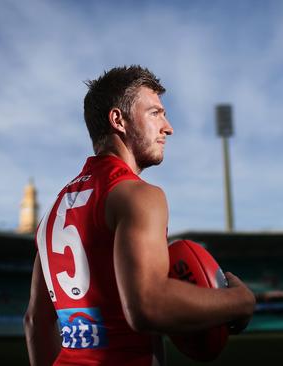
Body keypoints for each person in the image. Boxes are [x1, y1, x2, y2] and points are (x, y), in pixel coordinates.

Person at [24, 65, 255, 366]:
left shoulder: (53, 214)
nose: (168, 127)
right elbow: (148, 305)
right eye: (156, 113)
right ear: (118, 120)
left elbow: (35, 322)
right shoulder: (138, 195)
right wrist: (240, 301)